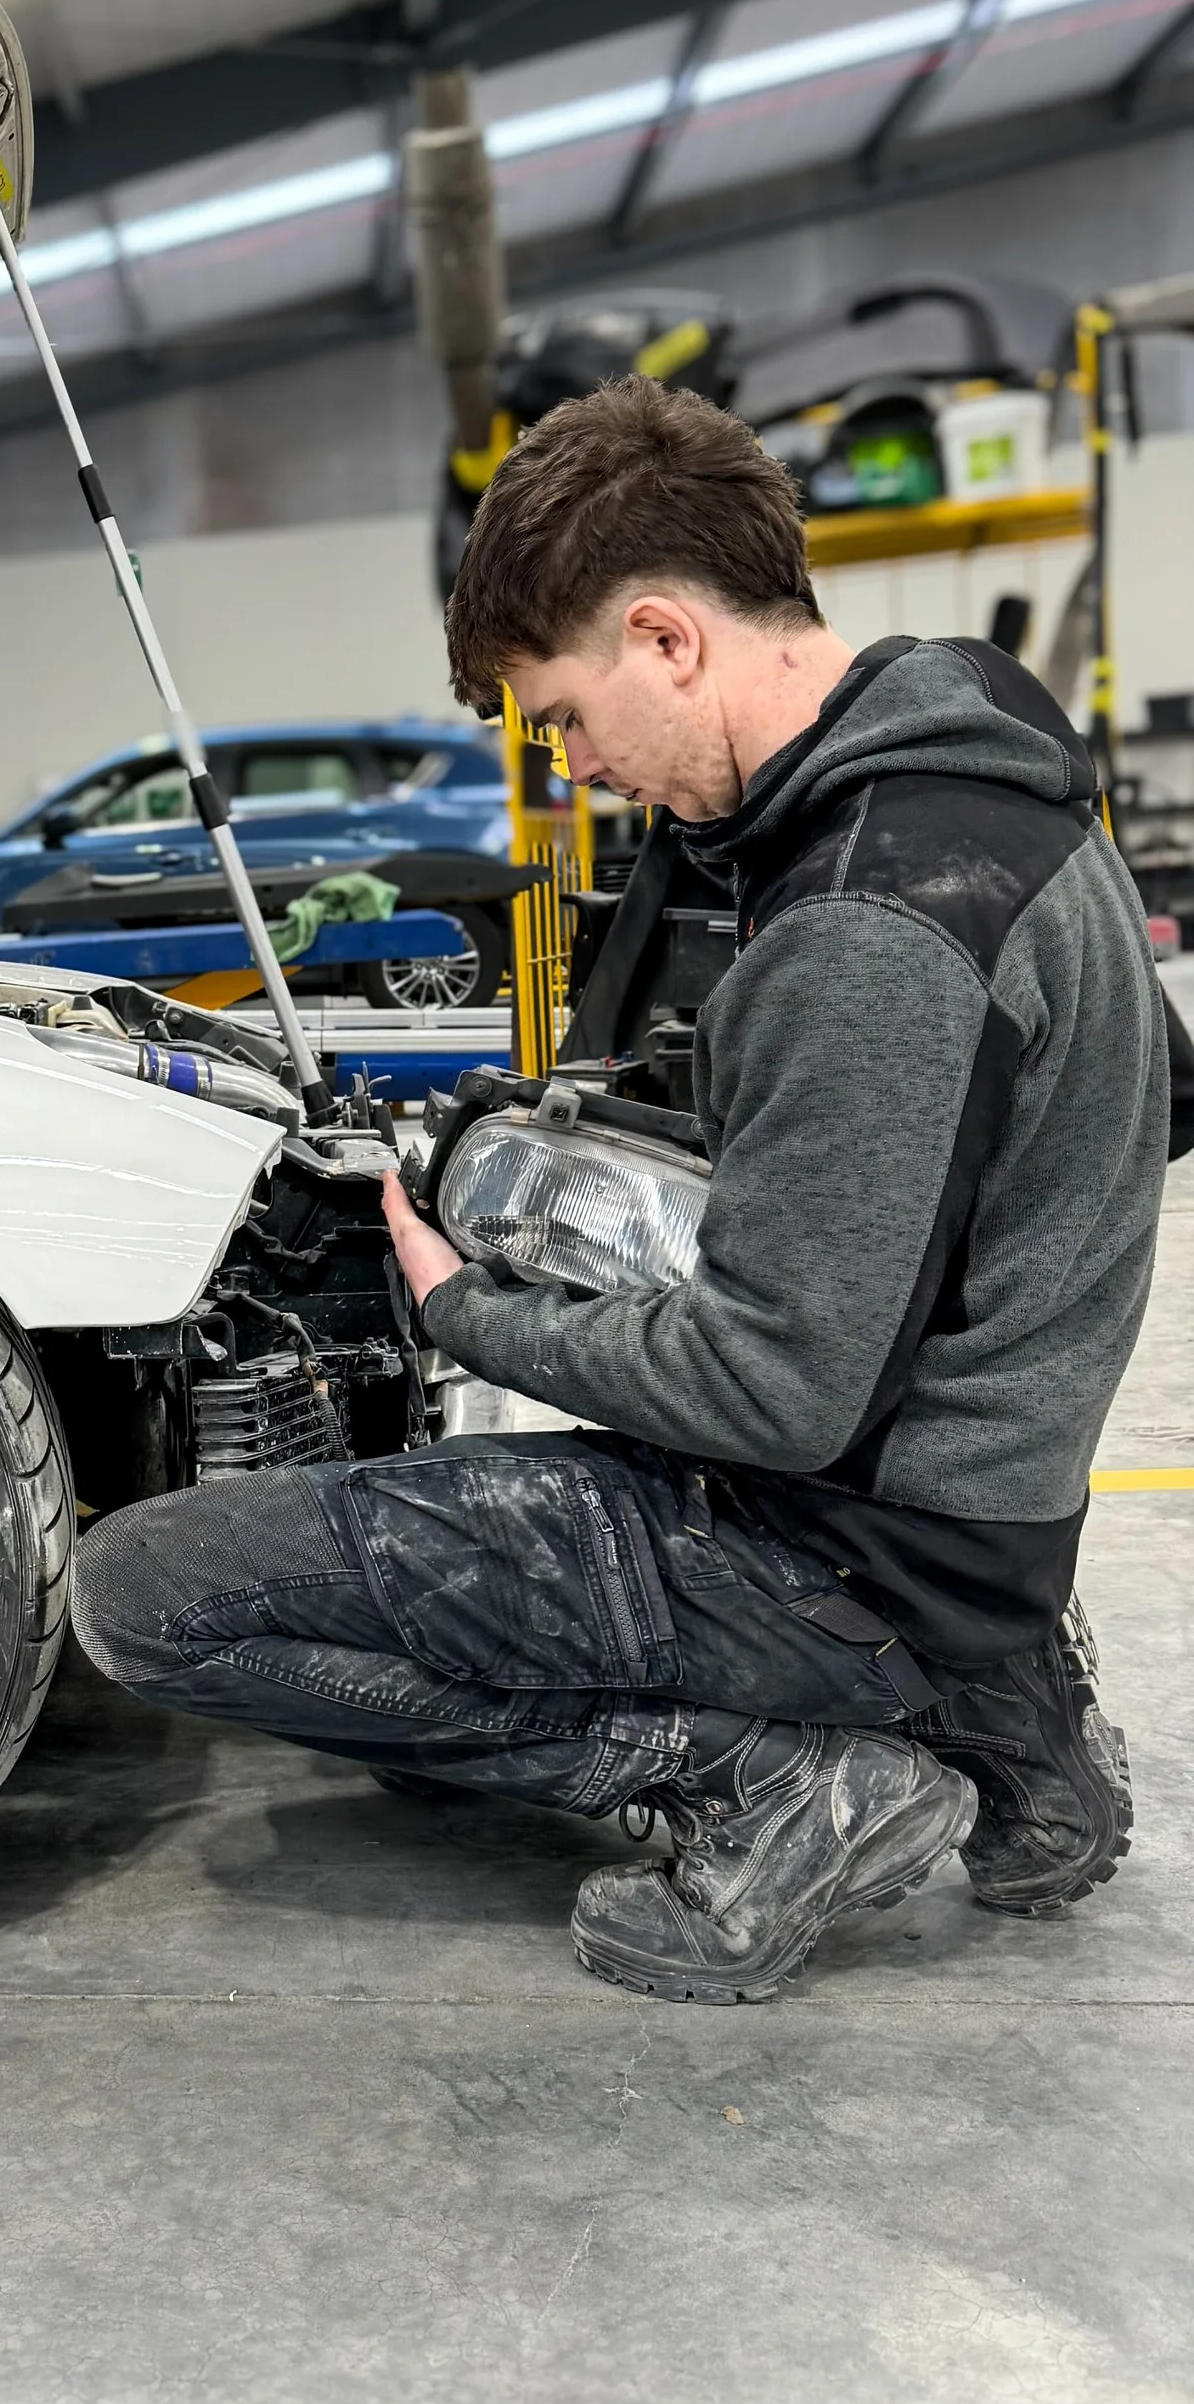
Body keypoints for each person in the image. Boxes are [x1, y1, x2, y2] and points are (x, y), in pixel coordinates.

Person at [72, 374, 1167, 2004]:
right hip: (981, 1518)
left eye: (567, 714)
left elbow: (777, 1388)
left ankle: (775, 1779)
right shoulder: (1005, 803)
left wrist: (476, 1313)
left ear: (666, 637)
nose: (576, 765)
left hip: (836, 1548)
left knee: (144, 1593)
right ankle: (1000, 1709)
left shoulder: (864, 924)